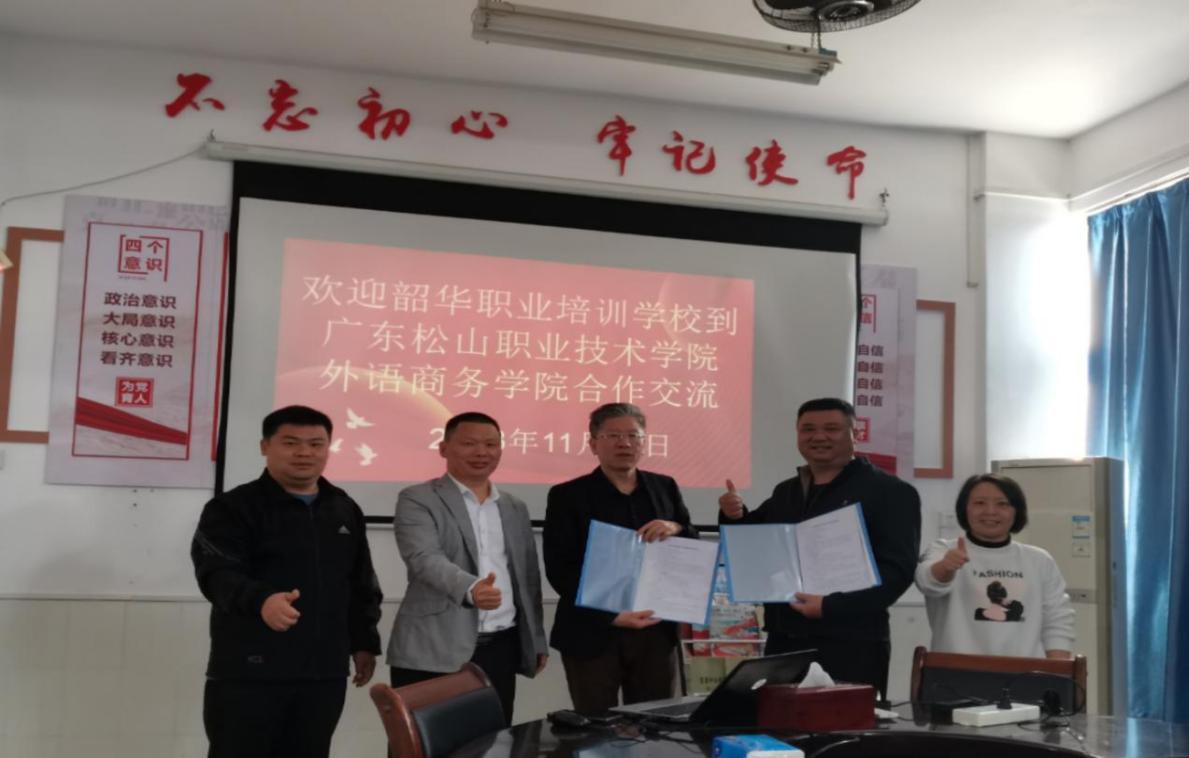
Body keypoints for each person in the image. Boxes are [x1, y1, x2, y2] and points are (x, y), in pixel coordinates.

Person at [192, 405, 382, 758]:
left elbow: (360, 581)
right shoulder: (232, 507)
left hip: (324, 672)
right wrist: (262, 601)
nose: (304, 453)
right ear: (265, 446)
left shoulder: (342, 508)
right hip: (249, 671)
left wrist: (364, 641)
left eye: (316, 444)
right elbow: (216, 572)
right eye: (291, 443)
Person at [717, 397, 920, 699]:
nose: (819, 436)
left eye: (832, 428)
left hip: (852, 642)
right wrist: (733, 515)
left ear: (856, 434)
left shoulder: (890, 492)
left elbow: (897, 572)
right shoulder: (787, 491)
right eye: (808, 429)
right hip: (785, 640)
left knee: (845, 724)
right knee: (779, 723)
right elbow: (753, 543)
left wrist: (829, 606)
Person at [385, 412, 548, 725]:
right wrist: (472, 588)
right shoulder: (417, 498)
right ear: (444, 448)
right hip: (434, 646)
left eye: (491, 444)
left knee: (493, 741)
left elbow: (528, 577)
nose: (481, 452)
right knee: (425, 742)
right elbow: (423, 557)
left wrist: (535, 639)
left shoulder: (514, 506)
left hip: (500, 647)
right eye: (469, 443)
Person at [544, 402, 698, 714]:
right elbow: (560, 568)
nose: (624, 443)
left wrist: (676, 528)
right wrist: (610, 615)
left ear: (644, 442)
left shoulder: (664, 486)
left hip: (654, 628)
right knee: (595, 725)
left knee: (655, 722)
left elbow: (690, 542)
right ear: (593, 444)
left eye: (633, 435)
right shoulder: (567, 495)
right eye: (613, 435)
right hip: (592, 631)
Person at [915, 473, 1074, 658]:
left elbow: (1057, 620)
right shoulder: (943, 550)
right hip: (954, 670)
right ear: (964, 509)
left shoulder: (1039, 559)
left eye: (1002, 504)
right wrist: (946, 567)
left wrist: (1057, 669)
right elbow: (926, 582)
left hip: (1027, 671)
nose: (990, 511)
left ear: (1017, 511)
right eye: (979, 503)